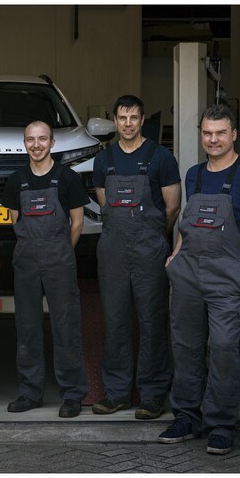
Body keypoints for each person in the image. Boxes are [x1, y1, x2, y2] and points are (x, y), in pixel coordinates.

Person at [158, 104, 240, 454]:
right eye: (207, 133)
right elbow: (189, 223)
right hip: (187, 274)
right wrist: (175, 254)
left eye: (220, 133)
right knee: (185, 347)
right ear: (201, 135)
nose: (213, 139)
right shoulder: (194, 174)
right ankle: (187, 417)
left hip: (226, 278)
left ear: (233, 134)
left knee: (222, 348)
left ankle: (220, 424)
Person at [91, 95, 181, 419]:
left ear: (142, 120)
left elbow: (173, 207)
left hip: (149, 250)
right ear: (115, 121)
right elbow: (105, 204)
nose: (128, 124)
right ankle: (116, 393)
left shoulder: (161, 157)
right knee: (115, 321)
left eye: (133, 118)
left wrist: (152, 235)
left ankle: (153, 395)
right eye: (122, 118)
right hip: (113, 250)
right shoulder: (103, 160)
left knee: (152, 321)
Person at [1, 120, 89, 418]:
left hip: (59, 260)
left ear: (52, 142)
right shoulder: (16, 180)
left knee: (66, 326)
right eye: (30, 139)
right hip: (26, 260)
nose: (36, 145)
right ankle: (30, 392)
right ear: (24, 143)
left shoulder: (68, 178)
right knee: (27, 326)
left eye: (42, 139)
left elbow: (77, 223)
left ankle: (72, 394)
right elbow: (15, 220)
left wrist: (61, 251)